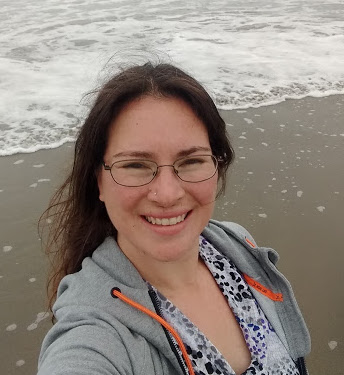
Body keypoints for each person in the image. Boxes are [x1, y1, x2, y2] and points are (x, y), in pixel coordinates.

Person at [37, 62, 310, 375]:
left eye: (191, 160)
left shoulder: (237, 245)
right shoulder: (94, 333)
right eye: (136, 165)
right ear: (98, 181)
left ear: (217, 167)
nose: (167, 194)